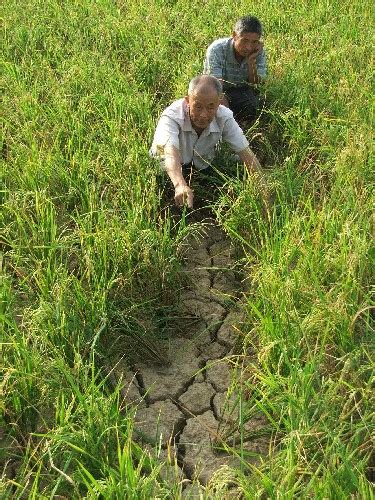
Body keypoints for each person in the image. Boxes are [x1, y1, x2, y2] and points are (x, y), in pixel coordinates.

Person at [150, 74, 262, 208]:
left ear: (219, 103)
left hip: (202, 164)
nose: (203, 115)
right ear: (187, 101)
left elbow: (245, 152)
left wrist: (263, 187)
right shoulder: (171, 116)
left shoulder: (224, 116)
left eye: (210, 107)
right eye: (198, 107)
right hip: (168, 169)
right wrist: (180, 185)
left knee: (237, 161)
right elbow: (168, 153)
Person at [203, 16, 267, 124]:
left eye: (254, 42)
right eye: (245, 41)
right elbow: (215, 88)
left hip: (242, 92)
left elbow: (256, 87)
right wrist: (227, 117)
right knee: (218, 112)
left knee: (255, 105)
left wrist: (252, 61)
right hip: (219, 91)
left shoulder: (257, 52)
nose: (248, 47)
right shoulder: (217, 49)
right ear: (234, 36)